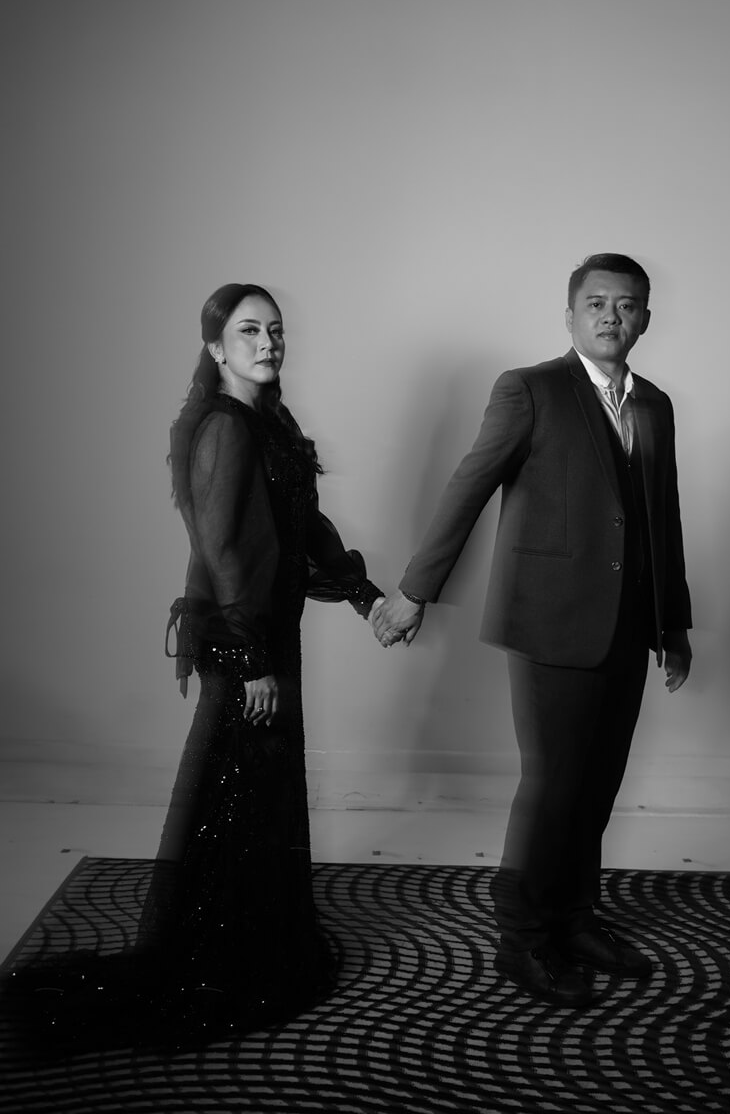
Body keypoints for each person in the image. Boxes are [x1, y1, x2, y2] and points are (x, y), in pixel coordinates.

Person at [7, 284, 384, 1048]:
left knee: (258, 795)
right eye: (249, 331)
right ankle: (220, 955)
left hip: (271, 636)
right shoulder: (222, 428)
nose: (268, 342)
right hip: (246, 644)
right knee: (235, 792)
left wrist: (363, 594)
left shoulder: (270, 419)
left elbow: (302, 523)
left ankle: (253, 939)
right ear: (215, 347)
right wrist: (250, 661)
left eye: (276, 330)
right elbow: (222, 549)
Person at [373, 254, 692, 1008]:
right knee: (553, 786)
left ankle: (573, 918)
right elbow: (470, 484)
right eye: (597, 303)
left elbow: (663, 516)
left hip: (628, 624)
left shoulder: (655, 405)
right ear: (570, 315)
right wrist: (416, 590)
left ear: (645, 319)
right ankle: (521, 937)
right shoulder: (531, 389)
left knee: (598, 783)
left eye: (627, 305)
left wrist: (672, 624)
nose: (611, 316)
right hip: (550, 620)